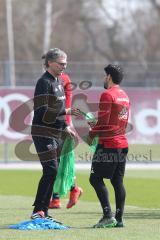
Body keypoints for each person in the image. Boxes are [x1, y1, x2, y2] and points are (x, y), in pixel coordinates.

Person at [31, 48, 76, 220]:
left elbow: (58, 109)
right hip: (43, 131)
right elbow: (42, 111)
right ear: (50, 63)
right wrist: (66, 114)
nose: (64, 66)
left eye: (65, 63)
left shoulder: (58, 81)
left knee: (53, 171)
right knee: (51, 170)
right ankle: (38, 210)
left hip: (56, 131)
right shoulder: (44, 82)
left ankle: (44, 212)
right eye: (61, 63)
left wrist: (65, 126)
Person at [86, 64, 130, 228]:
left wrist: (91, 132)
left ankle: (107, 215)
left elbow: (104, 122)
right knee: (117, 181)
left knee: (95, 178)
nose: (104, 78)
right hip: (122, 143)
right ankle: (119, 219)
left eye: (105, 76)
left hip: (108, 144)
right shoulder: (124, 95)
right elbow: (117, 122)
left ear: (109, 76)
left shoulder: (107, 94)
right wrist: (97, 125)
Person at [49, 72, 83, 209]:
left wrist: (66, 124)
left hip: (60, 125)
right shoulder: (61, 78)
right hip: (59, 124)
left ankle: (70, 191)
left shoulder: (59, 79)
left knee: (54, 163)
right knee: (56, 162)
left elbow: (60, 104)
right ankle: (57, 197)